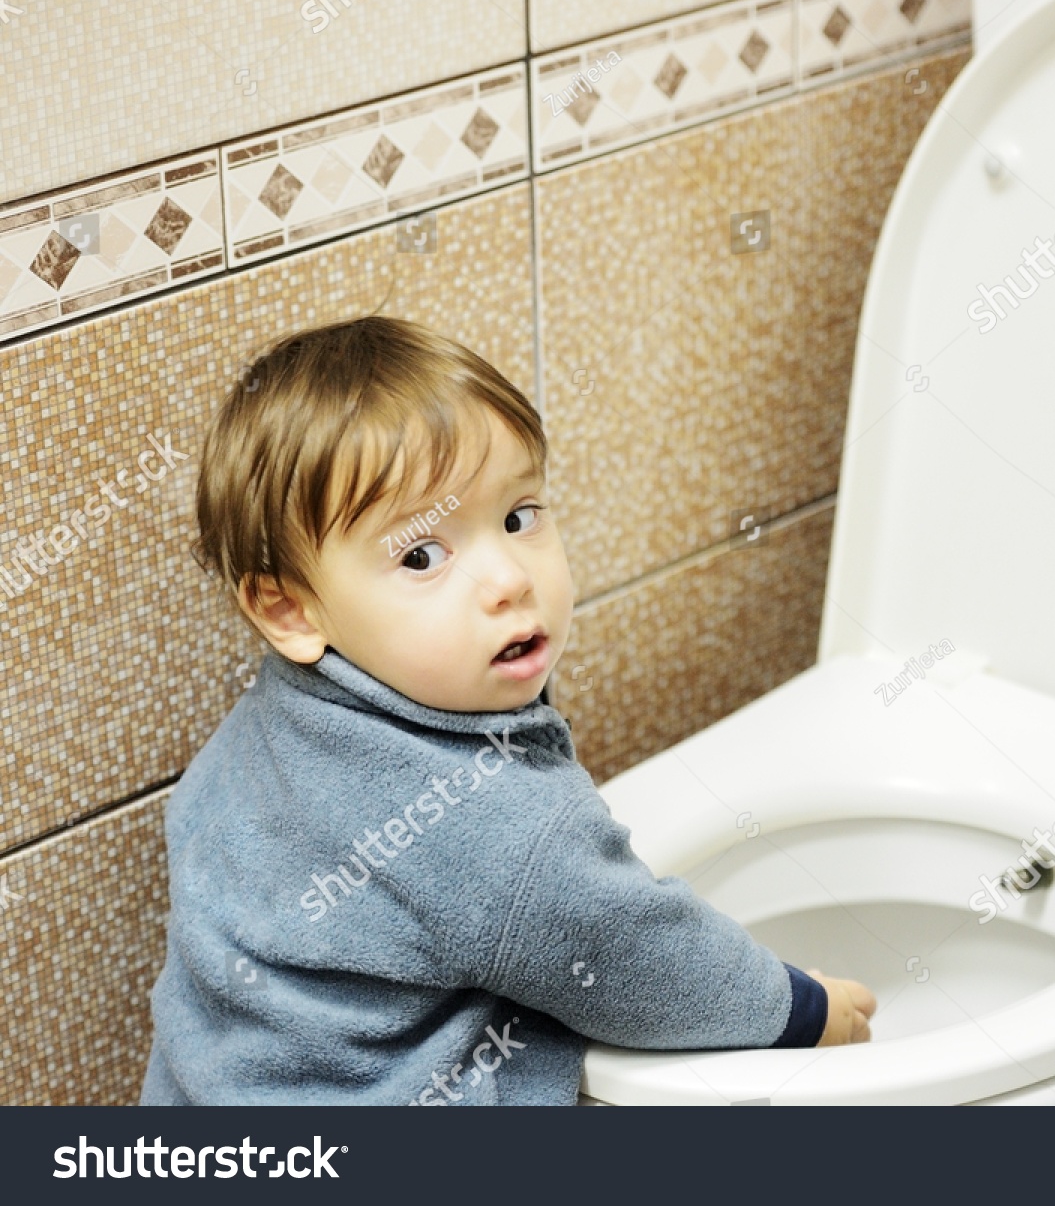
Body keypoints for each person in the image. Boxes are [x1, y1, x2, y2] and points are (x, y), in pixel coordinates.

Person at [140, 314, 875, 1105]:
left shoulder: (264, 733)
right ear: (289, 612)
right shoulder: (503, 826)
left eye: (519, 516)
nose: (508, 578)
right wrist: (805, 1010)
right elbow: (643, 958)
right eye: (422, 555)